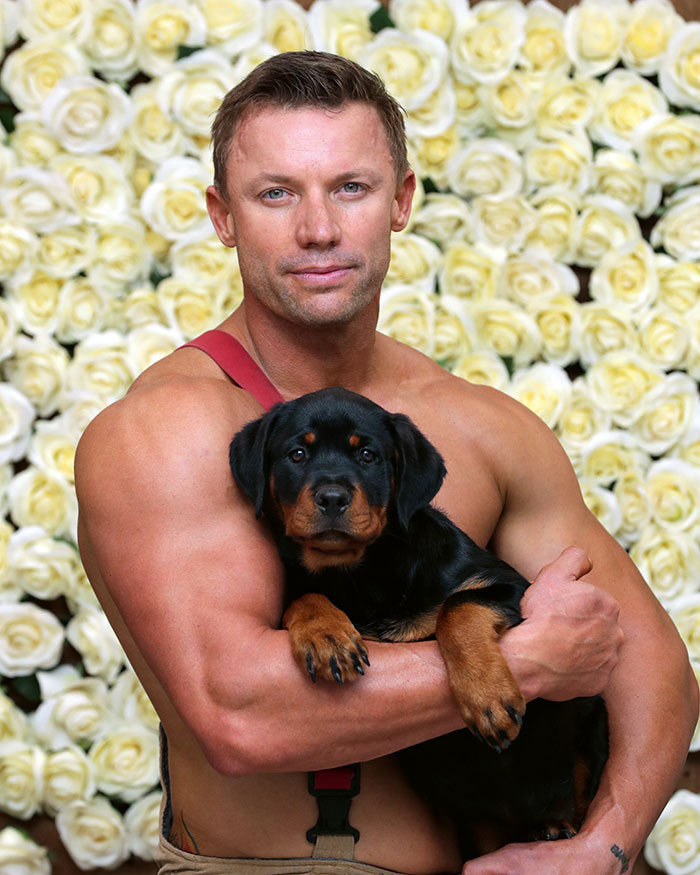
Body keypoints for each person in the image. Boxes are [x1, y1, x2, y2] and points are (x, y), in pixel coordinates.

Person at [74, 51, 697, 875]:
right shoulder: (173, 425)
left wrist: (602, 845)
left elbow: (654, 663)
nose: (318, 228)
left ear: (400, 201)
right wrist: (522, 661)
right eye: (276, 193)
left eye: (350, 187)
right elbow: (241, 718)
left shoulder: (482, 426)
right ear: (223, 216)